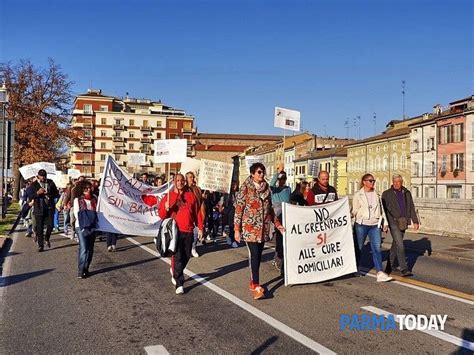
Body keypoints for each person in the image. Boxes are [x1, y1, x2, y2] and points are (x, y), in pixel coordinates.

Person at [235, 163, 284, 300]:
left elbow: (270, 210)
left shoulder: (267, 188)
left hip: (263, 229)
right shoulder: (245, 187)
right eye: (259, 172)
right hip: (250, 228)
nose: (261, 174)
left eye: (262, 172)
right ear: (252, 174)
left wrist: (278, 225)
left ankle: (252, 281)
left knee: (258, 256)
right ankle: (256, 286)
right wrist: (236, 229)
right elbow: (239, 208)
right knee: (254, 255)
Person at [159, 174, 203, 295]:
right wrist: (166, 208)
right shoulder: (168, 196)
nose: (180, 182)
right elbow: (162, 215)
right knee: (178, 256)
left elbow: (197, 212)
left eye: (182, 180)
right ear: (174, 182)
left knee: (187, 255)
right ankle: (179, 283)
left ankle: (175, 270)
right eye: (178, 180)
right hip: (175, 231)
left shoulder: (191, 196)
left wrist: (200, 227)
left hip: (188, 230)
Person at [352, 173, 392, 282]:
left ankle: (380, 272)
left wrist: (385, 223)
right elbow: (355, 209)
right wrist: (351, 215)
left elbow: (382, 210)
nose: (372, 182)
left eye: (373, 181)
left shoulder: (377, 195)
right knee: (359, 247)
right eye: (370, 180)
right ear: (364, 182)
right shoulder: (358, 195)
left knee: (377, 248)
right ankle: (355, 268)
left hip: (375, 225)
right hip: (361, 224)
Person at [382, 175, 420, 277]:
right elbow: (383, 210)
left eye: (398, 182)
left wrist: (415, 221)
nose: (396, 183)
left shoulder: (406, 193)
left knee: (396, 244)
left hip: (403, 221)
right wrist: (384, 223)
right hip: (393, 222)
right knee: (400, 244)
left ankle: (389, 267)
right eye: (394, 182)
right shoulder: (386, 194)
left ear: (402, 182)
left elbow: (411, 207)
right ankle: (404, 269)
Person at [29, 169, 59, 252]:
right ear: (38, 176)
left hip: (49, 207)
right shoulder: (34, 184)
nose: (43, 177)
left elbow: (56, 193)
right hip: (39, 207)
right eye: (42, 176)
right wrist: (37, 193)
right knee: (40, 227)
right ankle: (40, 245)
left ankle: (47, 237)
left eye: (45, 176)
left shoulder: (50, 182)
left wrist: (48, 193)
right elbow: (30, 196)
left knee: (51, 225)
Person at [74, 180, 98, 278]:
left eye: (89, 188)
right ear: (81, 190)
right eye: (86, 188)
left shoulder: (95, 199)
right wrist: (87, 220)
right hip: (81, 226)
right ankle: (81, 270)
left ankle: (86, 267)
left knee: (90, 249)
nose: (88, 190)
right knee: (83, 248)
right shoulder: (78, 200)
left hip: (92, 226)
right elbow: (77, 213)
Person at [269, 166, 291, 272]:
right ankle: (278, 259)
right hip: (277, 216)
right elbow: (270, 185)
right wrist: (277, 173)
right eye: (280, 179)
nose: (282, 181)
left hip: (287, 215)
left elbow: (289, 200)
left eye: (283, 179)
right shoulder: (274, 190)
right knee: (279, 239)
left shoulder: (288, 189)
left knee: (286, 239)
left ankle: (281, 258)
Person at [185, 171, 203, 257]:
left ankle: (193, 247)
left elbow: (200, 201)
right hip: (187, 215)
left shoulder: (197, 189)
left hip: (196, 213)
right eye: (190, 177)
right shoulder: (184, 189)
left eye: (193, 177)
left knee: (196, 232)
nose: (192, 179)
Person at [223, 181, 239, 248]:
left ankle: (232, 239)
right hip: (228, 211)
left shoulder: (238, 193)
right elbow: (223, 201)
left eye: (235, 185)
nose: (234, 186)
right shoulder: (227, 193)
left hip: (235, 211)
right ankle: (230, 238)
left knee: (233, 226)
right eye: (233, 185)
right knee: (230, 226)